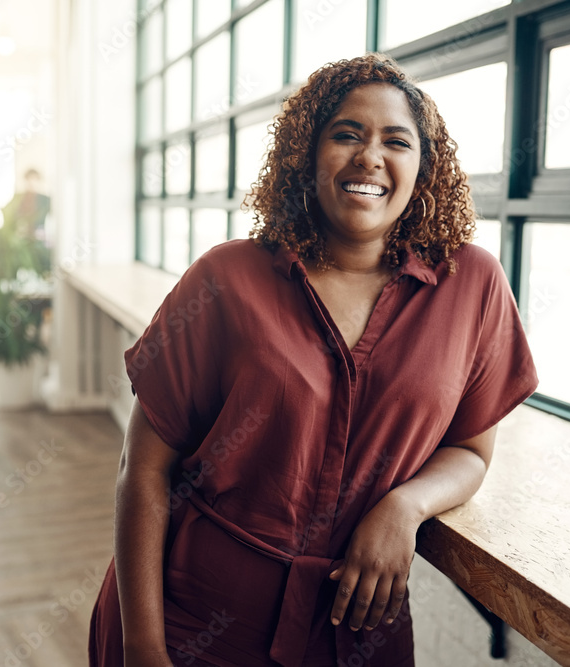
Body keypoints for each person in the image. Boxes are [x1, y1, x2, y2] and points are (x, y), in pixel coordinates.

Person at [88, 53, 538, 667]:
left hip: (357, 633)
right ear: (308, 154)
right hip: (193, 620)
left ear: (423, 167)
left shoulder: (472, 284)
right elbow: (142, 470)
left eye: (396, 141)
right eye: (346, 134)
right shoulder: (225, 278)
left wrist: (405, 506)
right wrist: (143, 647)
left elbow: (471, 450)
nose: (369, 157)